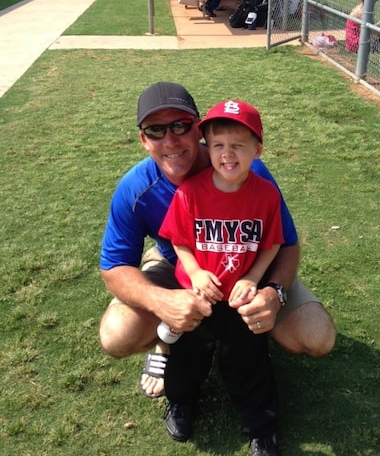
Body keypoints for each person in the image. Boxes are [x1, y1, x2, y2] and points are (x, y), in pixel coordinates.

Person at [97, 82, 335, 433]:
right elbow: (113, 267)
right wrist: (162, 301)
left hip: (250, 266)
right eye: (156, 131)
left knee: (316, 337)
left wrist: (273, 293)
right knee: (118, 334)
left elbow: (285, 243)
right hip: (181, 267)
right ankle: (166, 345)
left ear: (198, 129)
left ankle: (249, 340)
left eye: (180, 126)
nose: (171, 140)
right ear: (143, 139)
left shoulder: (245, 169)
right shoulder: (136, 187)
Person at [157, 99, 283, 453]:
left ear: (257, 149)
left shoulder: (266, 194)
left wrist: (253, 277)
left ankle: (262, 426)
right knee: (187, 354)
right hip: (199, 295)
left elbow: (272, 243)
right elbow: (180, 241)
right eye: (218, 146)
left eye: (238, 145)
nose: (228, 154)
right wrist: (195, 271)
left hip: (239, 299)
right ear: (206, 149)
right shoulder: (190, 193)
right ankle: (181, 401)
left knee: (248, 359)